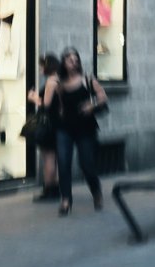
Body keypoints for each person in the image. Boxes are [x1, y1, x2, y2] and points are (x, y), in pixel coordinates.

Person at [43, 48, 107, 216]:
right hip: (64, 129)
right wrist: (50, 85)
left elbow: (102, 97)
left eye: (76, 59)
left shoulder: (87, 79)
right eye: (70, 60)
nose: (74, 62)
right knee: (63, 164)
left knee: (87, 165)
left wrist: (92, 105)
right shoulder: (58, 82)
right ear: (63, 62)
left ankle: (96, 192)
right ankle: (66, 200)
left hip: (85, 128)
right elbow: (47, 105)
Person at [26, 54, 61, 201]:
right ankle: (54, 188)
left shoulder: (51, 82)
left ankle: (49, 190)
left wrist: (33, 98)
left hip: (49, 124)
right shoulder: (59, 79)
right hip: (57, 124)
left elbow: (46, 104)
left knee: (48, 157)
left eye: (42, 66)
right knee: (52, 157)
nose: (40, 69)